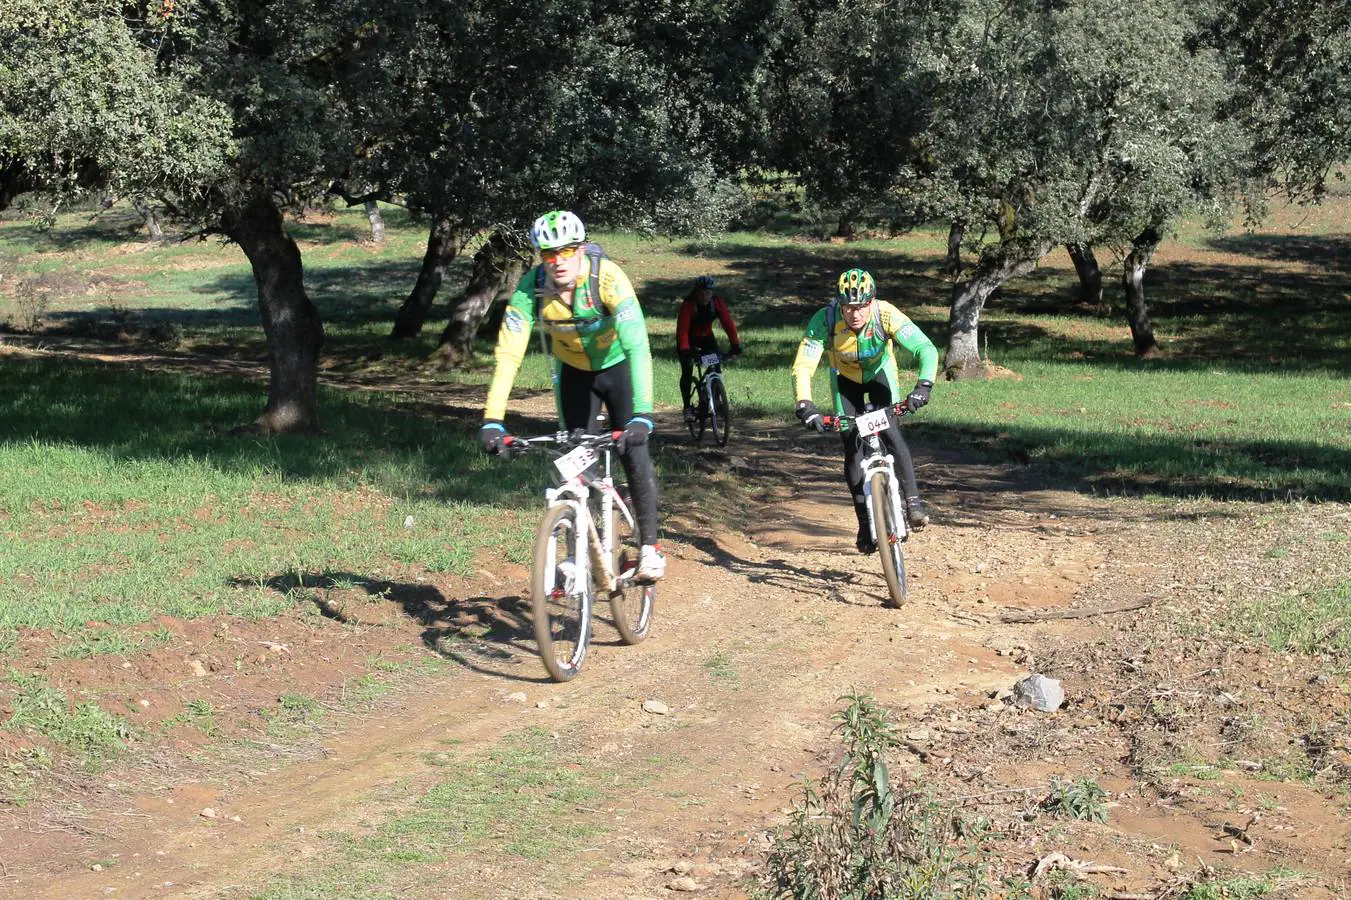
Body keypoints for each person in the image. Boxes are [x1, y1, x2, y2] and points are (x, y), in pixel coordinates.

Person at [479, 210, 665, 582]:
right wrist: (492, 420)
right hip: (575, 377)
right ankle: (578, 556)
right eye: (549, 254)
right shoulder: (531, 290)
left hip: (618, 370)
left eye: (567, 251)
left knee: (633, 449)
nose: (559, 262)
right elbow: (508, 355)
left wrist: (642, 415)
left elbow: (639, 347)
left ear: (581, 249)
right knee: (576, 463)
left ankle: (649, 547)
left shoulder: (608, 279)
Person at [790, 268, 938, 554]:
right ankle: (863, 523)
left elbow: (925, 348)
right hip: (844, 381)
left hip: (881, 375)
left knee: (892, 434)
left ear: (872, 301)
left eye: (860, 307)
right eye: (848, 307)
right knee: (852, 449)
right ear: (839, 305)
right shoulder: (825, 320)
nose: (854, 314)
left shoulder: (886, 314)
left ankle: (914, 504)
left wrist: (924, 385)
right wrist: (805, 404)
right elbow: (803, 366)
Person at [676, 275, 741, 421]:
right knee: (687, 371)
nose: (705, 296)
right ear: (696, 293)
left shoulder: (716, 303)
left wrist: (735, 344)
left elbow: (728, 323)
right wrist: (685, 350)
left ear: (712, 293)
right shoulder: (688, 305)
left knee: (715, 363)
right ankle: (687, 407)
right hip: (688, 338)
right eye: (701, 293)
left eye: (708, 292)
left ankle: (716, 398)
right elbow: (683, 329)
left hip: (706, 337)